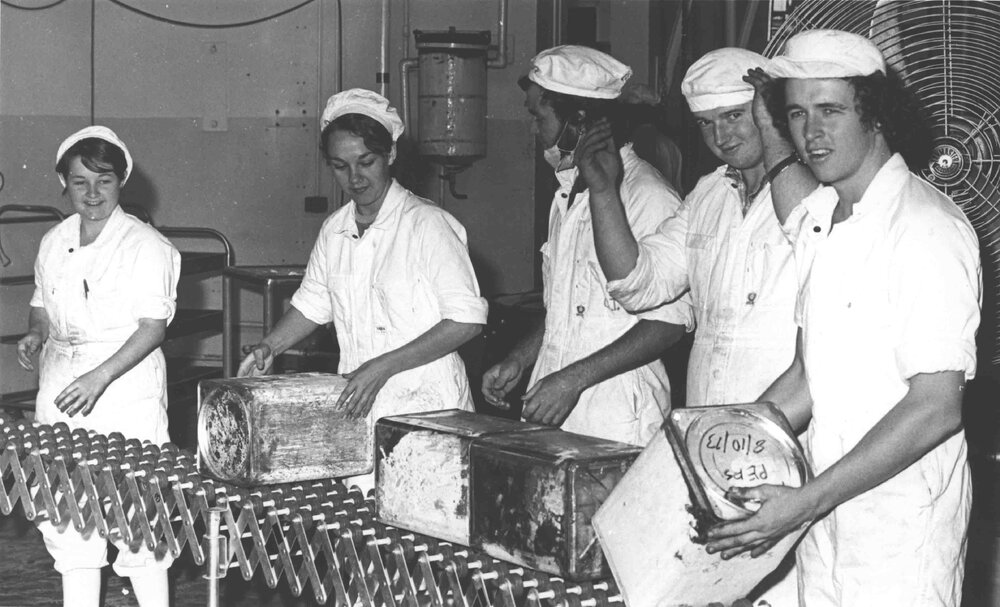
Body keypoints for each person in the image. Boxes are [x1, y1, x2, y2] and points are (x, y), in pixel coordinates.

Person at [704, 30, 981, 607]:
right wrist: (714, 450)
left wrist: (808, 500)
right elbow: (807, 377)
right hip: (824, 516)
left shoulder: (925, 228)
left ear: (873, 113)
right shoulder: (822, 221)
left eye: (831, 109)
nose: (812, 132)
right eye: (799, 113)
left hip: (897, 530)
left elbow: (936, 407)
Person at [582, 47, 815, 605]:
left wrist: (778, 137)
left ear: (770, 112)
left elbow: (814, 236)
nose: (722, 136)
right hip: (710, 436)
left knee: (787, 591)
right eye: (706, 124)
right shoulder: (710, 194)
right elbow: (640, 281)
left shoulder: (818, 192)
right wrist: (604, 190)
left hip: (790, 431)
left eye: (736, 116)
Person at [239, 89, 487, 490]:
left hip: (425, 404)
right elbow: (312, 304)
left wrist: (381, 367)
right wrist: (270, 346)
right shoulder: (335, 230)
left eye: (365, 162)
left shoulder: (427, 225)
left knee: (424, 534)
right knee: (362, 533)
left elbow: (467, 321)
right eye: (340, 166)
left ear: (390, 155)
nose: (354, 178)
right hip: (357, 405)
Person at [481, 45, 692, 447]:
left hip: (618, 413)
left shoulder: (646, 195)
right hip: (555, 398)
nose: (532, 130)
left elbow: (668, 326)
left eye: (538, 117)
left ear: (577, 122)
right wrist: (521, 358)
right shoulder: (568, 194)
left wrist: (573, 379)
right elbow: (566, 307)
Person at [17, 126, 180, 607]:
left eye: (103, 181)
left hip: (123, 389)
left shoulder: (145, 245)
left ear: (121, 181)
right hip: (61, 384)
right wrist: (35, 333)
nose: (91, 194)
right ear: (62, 183)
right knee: (67, 514)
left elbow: (153, 328)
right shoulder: (54, 240)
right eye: (79, 181)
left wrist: (99, 377)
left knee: (139, 517)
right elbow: (42, 304)